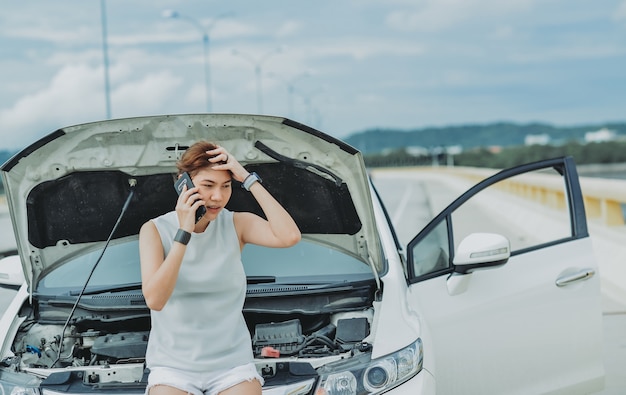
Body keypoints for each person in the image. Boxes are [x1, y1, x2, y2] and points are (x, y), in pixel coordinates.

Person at [139, 141, 301, 395]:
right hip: (173, 367)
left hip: (231, 365)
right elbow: (156, 299)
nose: (218, 196)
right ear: (184, 184)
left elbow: (289, 236)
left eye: (226, 186)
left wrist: (246, 177)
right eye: (208, 185)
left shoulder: (236, 224)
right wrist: (184, 232)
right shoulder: (154, 230)